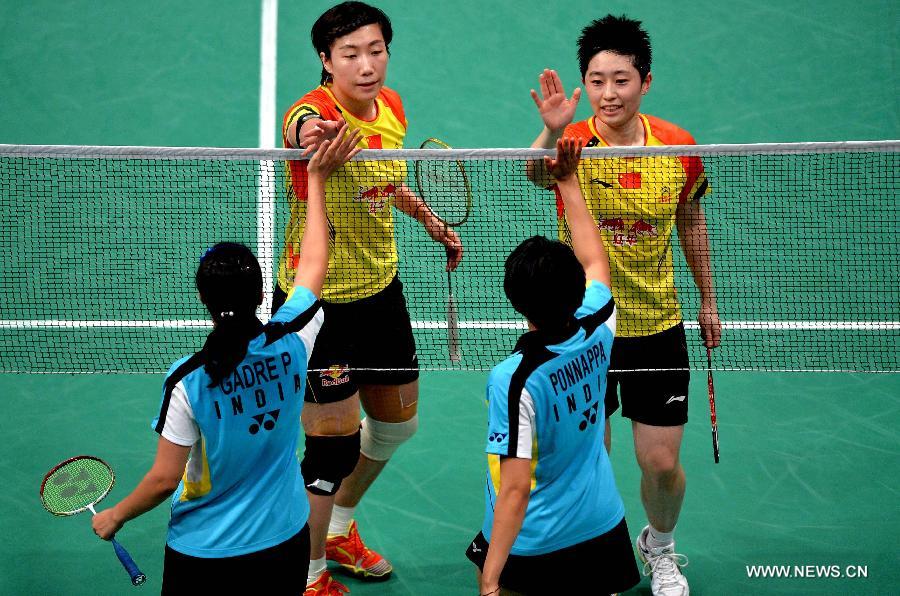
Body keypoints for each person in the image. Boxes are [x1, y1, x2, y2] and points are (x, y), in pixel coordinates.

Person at [90, 126, 362, 594]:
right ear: (261, 293)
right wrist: (316, 181)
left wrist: (114, 516)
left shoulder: (189, 381)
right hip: (285, 539)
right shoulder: (294, 339)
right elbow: (314, 264)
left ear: (204, 300)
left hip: (206, 553)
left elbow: (162, 480)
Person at [526, 14, 722, 596]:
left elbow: (690, 217)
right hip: (582, 330)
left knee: (660, 464)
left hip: (657, 324)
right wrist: (549, 130)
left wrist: (708, 300)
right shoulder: (574, 141)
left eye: (621, 80)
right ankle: (596, 551)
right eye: (596, 80)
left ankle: (659, 548)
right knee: (590, 457)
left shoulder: (679, 146)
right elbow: (536, 173)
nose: (607, 94)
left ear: (646, 82)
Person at [276, 2, 463, 594]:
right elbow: (298, 127)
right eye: (350, 54)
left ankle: (338, 529)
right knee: (328, 456)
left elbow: (389, 177)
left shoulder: (393, 107)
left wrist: (429, 218)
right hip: (319, 304)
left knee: (395, 426)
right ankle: (308, 575)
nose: (365, 65)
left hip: (382, 290)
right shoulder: (313, 113)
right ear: (326, 62)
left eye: (375, 50)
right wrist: (314, 136)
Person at [466, 138, 639, 596]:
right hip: (604, 525)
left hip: (538, 543)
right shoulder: (601, 321)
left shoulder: (514, 378)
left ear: (516, 301)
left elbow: (516, 489)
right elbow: (596, 258)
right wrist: (567, 181)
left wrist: (490, 577)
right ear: (578, 288)